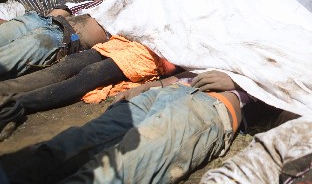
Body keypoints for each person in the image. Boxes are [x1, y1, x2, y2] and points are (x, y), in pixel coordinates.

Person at [5, 71, 251, 183]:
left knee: (120, 167)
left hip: (209, 105)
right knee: (67, 147)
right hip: (162, 92)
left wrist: (241, 79)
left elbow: (286, 87)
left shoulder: (280, 35)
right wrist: (150, 86)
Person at [0, 35, 179, 141]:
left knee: (92, 74)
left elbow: (184, 66)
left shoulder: (199, 33)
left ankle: (14, 105)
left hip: (149, 57)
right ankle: (4, 90)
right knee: (69, 64)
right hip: (127, 42)